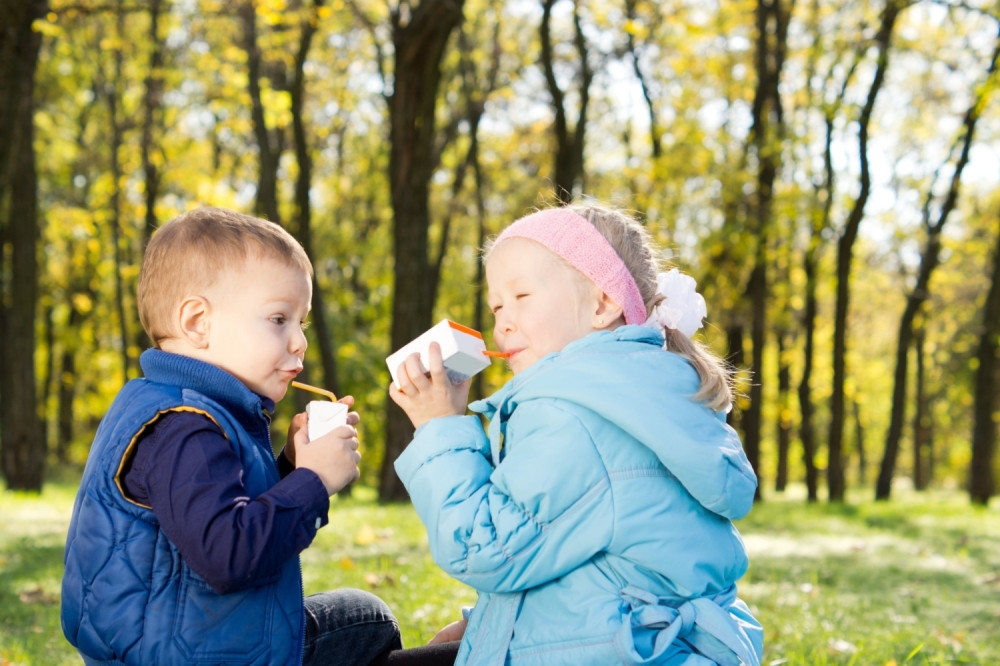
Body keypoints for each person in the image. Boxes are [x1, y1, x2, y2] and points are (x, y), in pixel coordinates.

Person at [389, 204, 765, 665]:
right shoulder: (640, 393)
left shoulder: (574, 414)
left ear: (602, 303)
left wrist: (439, 426)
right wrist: (484, 623)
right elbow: (582, 558)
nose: (502, 321)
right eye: (497, 306)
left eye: (521, 296)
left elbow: (483, 549)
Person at [61, 207, 402, 666]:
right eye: (279, 319)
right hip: (195, 654)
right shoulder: (185, 429)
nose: (300, 341)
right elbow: (230, 556)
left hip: (175, 639)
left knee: (363, 613)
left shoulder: (167, 405)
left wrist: (290, 465)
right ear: (198, 322)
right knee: (369, 622)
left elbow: (215, 507)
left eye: (301, 321)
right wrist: (315, 481)